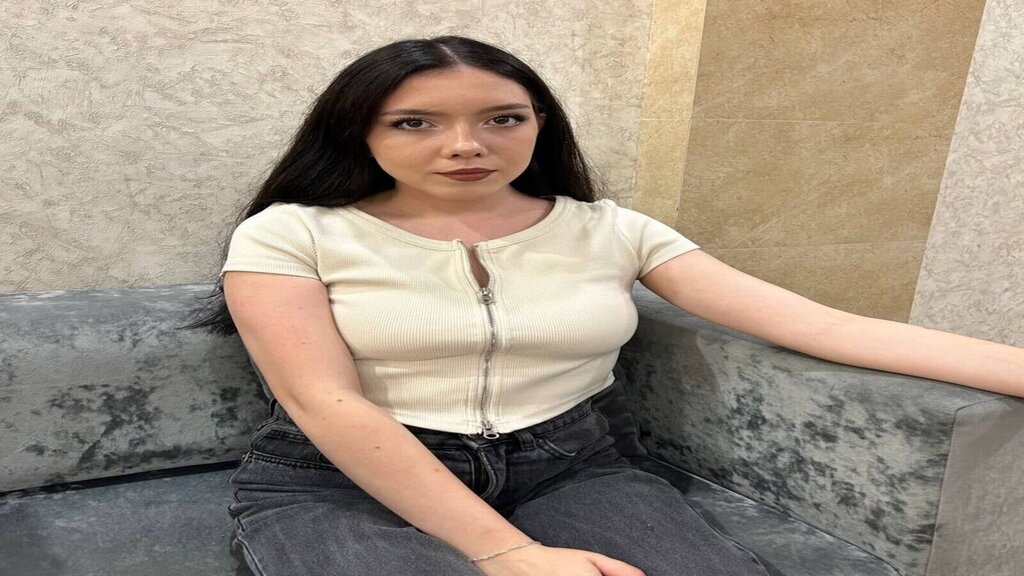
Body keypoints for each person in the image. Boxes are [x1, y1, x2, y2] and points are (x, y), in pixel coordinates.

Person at [183, 35, 1024, 576]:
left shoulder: (612, 229)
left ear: (540, 124)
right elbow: (323, 401)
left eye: (502, 118)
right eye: (415, 123)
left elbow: (825, 326)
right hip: (342, 479)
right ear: (359, 132)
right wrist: (507, 553)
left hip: (569, 463)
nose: (466, 145)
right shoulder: (292, 232)